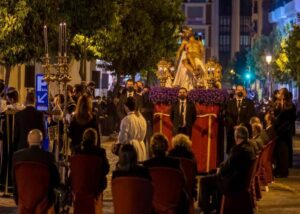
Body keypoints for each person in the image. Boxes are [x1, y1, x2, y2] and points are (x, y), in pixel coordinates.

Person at [198, 126, 256, 213]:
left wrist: (220, 169)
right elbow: (230, 164)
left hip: (232, 184)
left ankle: (205, 209)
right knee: (212, 174)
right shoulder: (250, 148)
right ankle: (217, 205)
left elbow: (225, 169)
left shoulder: (237, 150)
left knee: (203, 181)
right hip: (241, 181)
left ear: (236, 137)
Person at [12, 129, 60, 205]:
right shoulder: (49, 157)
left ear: (28, 141)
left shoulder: (17, 156)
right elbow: (56, 181)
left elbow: (14, 180)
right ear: (41, 141)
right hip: (43, 199)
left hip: (23, 197)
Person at [74, 128, 109, 194]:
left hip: (79, 184)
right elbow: (106, 169)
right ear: (95, 139)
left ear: (83, 138)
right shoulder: (99, 152)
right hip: (95, 186)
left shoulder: (77, 151)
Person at [225, 85, 256, 153]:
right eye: (238, 90)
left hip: (245, 132)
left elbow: (250, 116)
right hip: (232, 132)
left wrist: (241, 125)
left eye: (241, 90)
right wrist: (234, 126)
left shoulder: (249, 103)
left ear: (244, 91)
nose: (240, 91)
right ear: (235, 91)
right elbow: (228, 116)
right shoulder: (230, 103)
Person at [273, 88, 296, 177]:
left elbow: (291, 118)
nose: (278, 94)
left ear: (283, 95)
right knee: (278, 151)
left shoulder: (290, 105)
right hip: (278, 131)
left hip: (285, 131)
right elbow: (275, 113)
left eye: (279, 93)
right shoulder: (277, 104)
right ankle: (278, 169)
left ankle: (284, 170)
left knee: (284, 151)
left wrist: (284, 125)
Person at [117, 97, 147, 161]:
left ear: (126, 107)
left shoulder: (126, 120)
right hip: (141, 146)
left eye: (125, 106)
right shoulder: (142, 119)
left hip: (131, 149)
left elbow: (122, 139)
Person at [168, 134, 197, 199]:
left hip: (172, 188)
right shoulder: (191, 156)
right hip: (187, 188)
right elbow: (195, 172)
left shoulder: (170, 154)